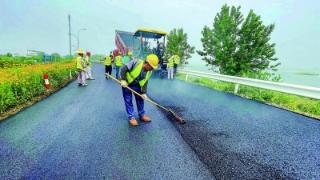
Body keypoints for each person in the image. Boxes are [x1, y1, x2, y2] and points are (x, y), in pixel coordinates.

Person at [120, 54, 159, 126]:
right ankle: (131, 117)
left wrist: (144, 93)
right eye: (152, 67)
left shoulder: (149, 71)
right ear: (147, 63)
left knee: (140, 99)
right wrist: (123, 80)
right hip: (127, 84)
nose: (152, 69)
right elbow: (123, 69)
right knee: (128, 100)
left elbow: (145, 81)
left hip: (137, 85)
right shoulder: (135, 62)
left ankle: (142, 115)